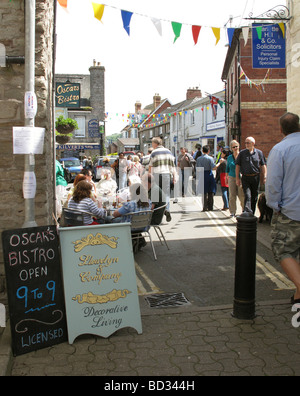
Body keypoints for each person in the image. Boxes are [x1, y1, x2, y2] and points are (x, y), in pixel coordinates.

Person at [265, 112, 300, 303]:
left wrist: (275, 206)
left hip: (291, 212)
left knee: (283, 249)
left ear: (280, 130)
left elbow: (272, 184)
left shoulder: (280, 149)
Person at [235, 137, 267, 215]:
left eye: (248, 143)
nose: (246, 144)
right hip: (245, 177)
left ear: (253, 143)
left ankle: (252, 213)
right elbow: (237, 166)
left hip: (255, 177)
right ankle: (247, 212)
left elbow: (263, 165)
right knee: (247, 195)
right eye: (245, 143)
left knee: (254, 196)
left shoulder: (259, 153)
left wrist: (265, 176)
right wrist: (237, 178)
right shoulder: (242, 153)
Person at [148, 137, 177, 222]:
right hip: (166, 174)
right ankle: (167, 209)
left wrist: (149, 176)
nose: (152, 145)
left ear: (155, 143)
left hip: (156, 174)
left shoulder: (154, 152)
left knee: (156, 195)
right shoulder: (169, 152)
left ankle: (157, 216)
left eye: (152, 143)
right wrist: (174, 176)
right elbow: (172, 166)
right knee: (166, 194)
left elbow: (150, 166)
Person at [225, 140, 245, 217]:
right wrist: (226, 178)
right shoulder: (229, 158)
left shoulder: (242, 156)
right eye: (233, 147)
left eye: (236, 146)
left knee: (241, 195)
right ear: (231, 148)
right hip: (231, 177)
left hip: (240, 178)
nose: (235, 148)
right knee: (232, 195)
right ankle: (232, 212)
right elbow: (227, 168)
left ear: (239, 146)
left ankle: (244, 210)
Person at [196, 145, 217, 211]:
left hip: (202, 175)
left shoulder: (198, 159)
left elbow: (197, 169)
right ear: (208, 151)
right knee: (210, 191)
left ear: (202, 151)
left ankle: (204, 207)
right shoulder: (210, 158)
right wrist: (219, 163)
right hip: (209, 175)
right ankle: (210, 207)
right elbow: (213, 167)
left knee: (204, 192)